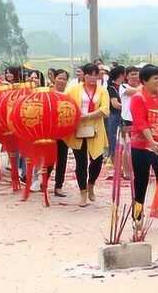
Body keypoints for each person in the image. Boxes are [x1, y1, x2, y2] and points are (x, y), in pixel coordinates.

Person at [129, 64, 158, 228]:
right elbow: (140, 123)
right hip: (141, 146)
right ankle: (137, 217)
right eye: (155, 78)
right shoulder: (138, 98)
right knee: (141, 181)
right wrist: (151, 142)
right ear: (144, 81)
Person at [64, 63, 110, 207]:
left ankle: (91, 185)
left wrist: (88, 116)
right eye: (89, 74)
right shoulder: (73, 90)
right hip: (78, 129)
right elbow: (65, 105)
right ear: (84, 75)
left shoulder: (102, 91)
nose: (92, 77)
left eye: (95, 75)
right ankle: (82, 193)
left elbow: (105, 110)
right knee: (81, 162)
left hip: (95, 129)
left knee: (96, 160)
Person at [48, 69, 70, 197]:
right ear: (54, 79)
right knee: (49, 159)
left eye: (64, 78)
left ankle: (58, 186)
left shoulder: (68, 96)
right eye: (59, 78)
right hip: (50, 132)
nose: (61, 81)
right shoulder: (48, 94)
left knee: (62, 159)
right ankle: (44, 181)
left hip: (64, 132)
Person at [106, 66, 125, 162]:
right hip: (114, 116)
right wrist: (127, 107)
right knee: (114, 137)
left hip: (121, 116)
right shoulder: (112, 88)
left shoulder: (122, 86)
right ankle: (113, 158)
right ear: (120, 75)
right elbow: (115, 104)